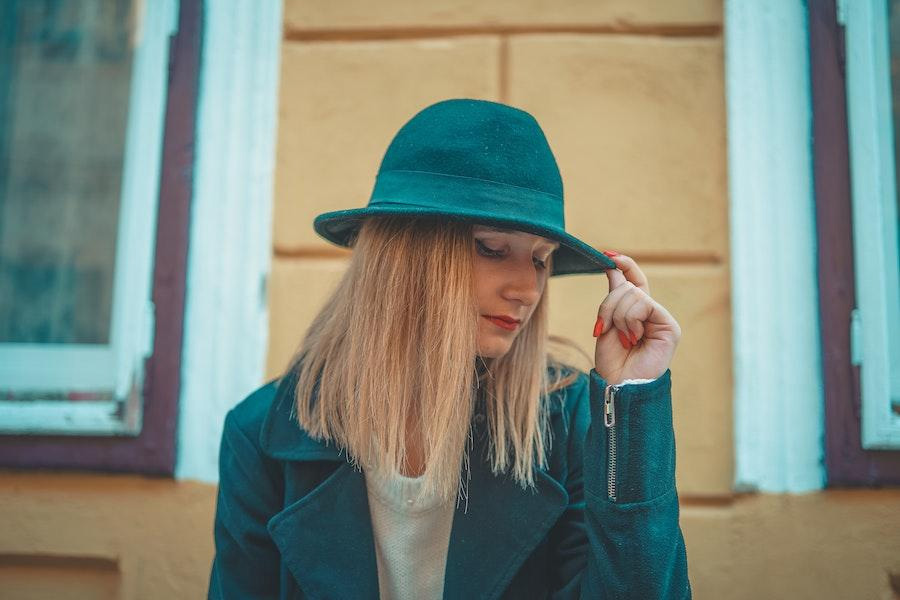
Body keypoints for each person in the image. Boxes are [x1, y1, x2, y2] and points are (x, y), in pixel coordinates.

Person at [208, 98, 691, 599]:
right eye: (493, 248)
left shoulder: (564, 422)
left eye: (542, 260)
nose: (527, 289)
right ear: (404, 254)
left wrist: (631, 402)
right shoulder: (261, 435)